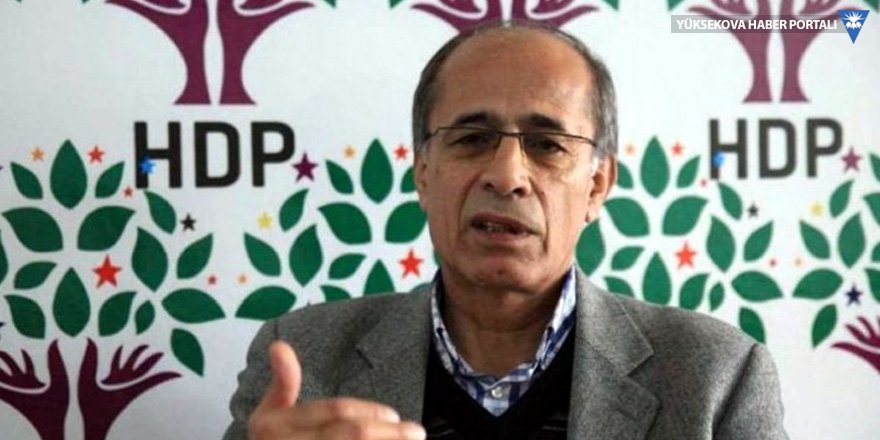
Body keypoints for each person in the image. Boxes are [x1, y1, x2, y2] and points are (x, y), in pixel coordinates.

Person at [224, 22, 788, 440]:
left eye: (547, 145)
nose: (507, 176)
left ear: (596, 186)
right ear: (423, 173)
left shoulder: (718, 375)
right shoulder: (300, 362)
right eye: (472, 139)